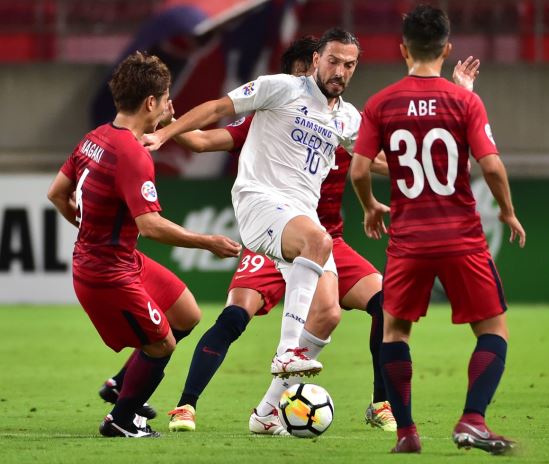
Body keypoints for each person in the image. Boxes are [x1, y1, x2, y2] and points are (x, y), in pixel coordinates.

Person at [152, 36, 395, 435]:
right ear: (316, 60)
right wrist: (164, 133)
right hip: (260, 203)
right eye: (333, 61)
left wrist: (424, 171)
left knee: (328, 314)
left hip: (304, 222)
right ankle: (282, 356)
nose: (340, 71)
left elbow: (372, 160)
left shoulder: (349, 118)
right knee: (303, 255)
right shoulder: (280, 89)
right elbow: (216, 110)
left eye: (349, 65)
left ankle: (266, 413)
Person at [350, 5, 526, 455]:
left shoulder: (380, 103)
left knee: (396, 332)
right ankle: (472, 418)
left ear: (402, 47)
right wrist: (506, 211)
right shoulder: (466, 101)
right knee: (494, 329)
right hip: (461, 236)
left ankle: (407, 433)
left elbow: (357, 169)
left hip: (409, 239)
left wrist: (370, 205)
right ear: (448, 48)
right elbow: (491, 165)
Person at [47, 51, 241, 438]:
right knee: (162, 345)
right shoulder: (132, 154)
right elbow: (150, 225)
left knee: (186, 313)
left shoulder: (95, 138)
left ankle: (122, 384)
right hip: (106, 274)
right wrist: (208, 243)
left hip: (119, 258)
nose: (171, 106)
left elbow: (57, 193)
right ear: (151, 102)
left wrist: (92, 231)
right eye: (167, 98)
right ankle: (120, 419)